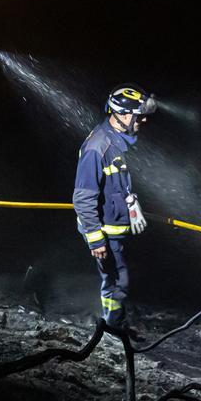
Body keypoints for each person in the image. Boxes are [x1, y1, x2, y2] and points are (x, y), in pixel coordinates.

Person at [73, 85, 156, 339]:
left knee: (119, 278)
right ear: (120, 114)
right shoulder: (99, 146)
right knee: (118, 282)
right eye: (138, 115)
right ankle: (113, 329)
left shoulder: (118, 141)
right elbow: (83, 196)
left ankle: (114, 323)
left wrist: (131, 200)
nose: (143, 120)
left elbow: (117, 181)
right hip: (103, 231)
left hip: (115, 227)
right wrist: (96, 237)